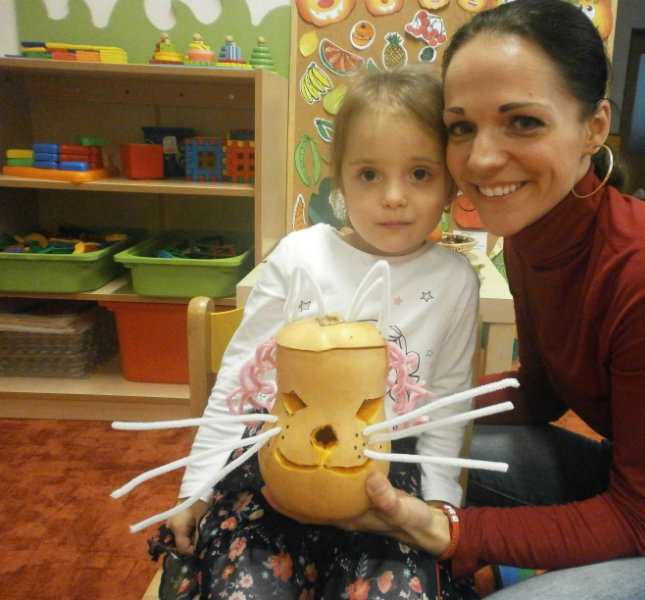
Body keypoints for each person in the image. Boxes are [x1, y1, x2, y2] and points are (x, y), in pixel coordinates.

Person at [329, 1, 645, 599]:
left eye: (523, 122)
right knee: (399, 450)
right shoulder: (529, 236)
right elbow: (542, 389)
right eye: (461, 127)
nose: (481, 159)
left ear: (594, 128)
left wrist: (447, 530)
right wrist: (404, 409)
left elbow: (640, 518)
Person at [148, 66, 481, 600]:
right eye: (369, 174)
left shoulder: (455, 279)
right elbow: (238, 384)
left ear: (450, 182)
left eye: (420, 173)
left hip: (387, 479)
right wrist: (196, 490)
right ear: (341, 179)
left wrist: (438, 513)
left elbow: (445, 409)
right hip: (275, 469)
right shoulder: (299, 254)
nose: (394, 196)